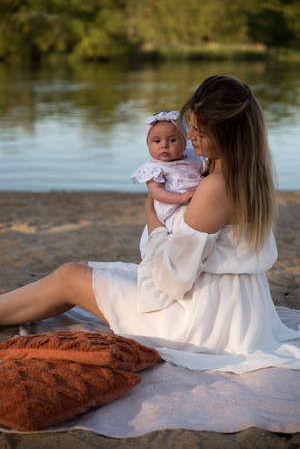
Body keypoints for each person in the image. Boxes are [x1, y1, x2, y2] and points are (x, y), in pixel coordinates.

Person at [1, 74, 300, 373]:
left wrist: (153, 219)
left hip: (201, 321)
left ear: (228, 135)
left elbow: (172, 279)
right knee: (85, 270)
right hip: (236, 304)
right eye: (190, 126)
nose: (190, 138)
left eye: (200, 131)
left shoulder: (215, 187)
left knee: (69, 277)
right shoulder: (249, 171)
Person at [131, 110, 205, 258]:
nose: (164, 145)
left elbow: (203, 169)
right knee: (172, 236)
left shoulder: (192, 157)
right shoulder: (154, 168)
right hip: (170, 209)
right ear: (148, 145)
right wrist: (180, 197)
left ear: (185, 142)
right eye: (157, 141)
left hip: (194, 203)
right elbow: (156, 192)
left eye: (172, 140)